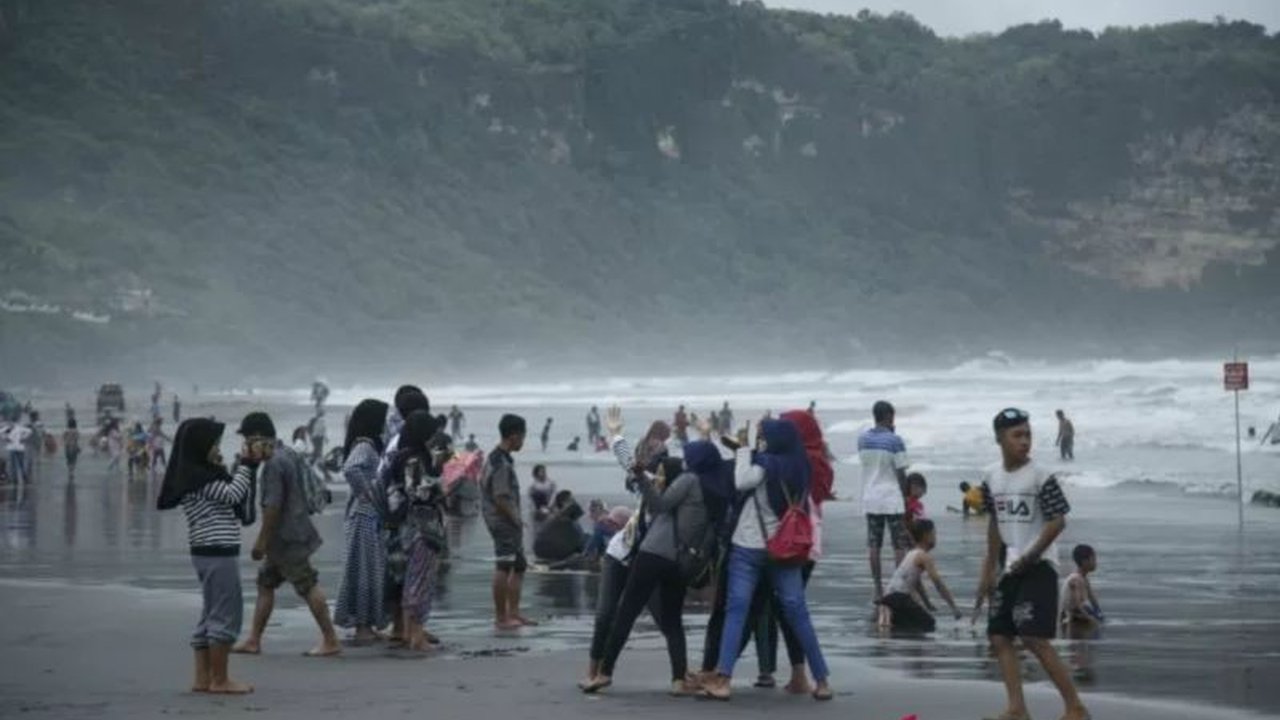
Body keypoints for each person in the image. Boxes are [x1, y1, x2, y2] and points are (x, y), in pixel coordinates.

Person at [701, 418, 833, 702]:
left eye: (765, 438)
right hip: (785, 549)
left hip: (749, 545)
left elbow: (741, 481)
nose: (763, 442)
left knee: (737, 610)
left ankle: (723, 678)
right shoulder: (801, 466)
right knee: (798, 613)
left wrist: (744, 450)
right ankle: (821, 681)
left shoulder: (766, 464)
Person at [976, 408, 1089, 720]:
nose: (1024, 441)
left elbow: (1057, 521)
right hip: (1010, 566)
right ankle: (1016, 709)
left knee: (1033, 637)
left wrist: (1031, 555)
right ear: (999, 438)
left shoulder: (1041, 476)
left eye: (1028, 434)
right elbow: (994, 524)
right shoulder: (991, 477)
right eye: (1017, 435)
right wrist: (988, 569)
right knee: (999, 635)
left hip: (1039, 565)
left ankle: (1075, 707)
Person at [156, 418, 256, 695]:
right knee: (225, 613)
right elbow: (234, 495)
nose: (217, 448)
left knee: (210, 613)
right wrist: (247, 465)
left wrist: (234, 468)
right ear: (201, 447)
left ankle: (203, 678)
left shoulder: (193, 475)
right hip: (218, 551)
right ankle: (220, 680)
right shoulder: (202, 479)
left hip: (205, 552)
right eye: (214, 444)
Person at [232, 412, 341, 657]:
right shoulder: (288, 454)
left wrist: (261, 541)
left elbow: (273, 507)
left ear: (259, 438)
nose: (246, 446)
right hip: (291, 532)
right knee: (265, 584)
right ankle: (253, 640)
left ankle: (331, 639)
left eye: (249, 439)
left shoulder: (273, 465)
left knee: (307, 585)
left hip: (287, 538)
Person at [377, 410, 448, 651]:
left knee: (410, 580)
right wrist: (442, 484)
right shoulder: (415, 459)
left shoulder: (398, 456)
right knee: (420, 580)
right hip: (422, 528)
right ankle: (416, 635)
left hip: (403, 528)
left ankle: (409, 632)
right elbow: (419, 492)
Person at [333, 399, 390, 645]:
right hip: (364, 515)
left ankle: (365, 623)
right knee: (364, 570)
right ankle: (361, 626)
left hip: (367, 515)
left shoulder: (368, 444)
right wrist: (367, 493)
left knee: (368, 569)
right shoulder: (365, 445)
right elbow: (351, 469)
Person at [481, 414, 533, 630]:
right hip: (502, 520)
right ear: (514, 436)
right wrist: (516, 518)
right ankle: (502, 617)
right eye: (522, 437)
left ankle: (514, 612)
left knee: (519, 566)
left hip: (504, 519)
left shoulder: (498, 458)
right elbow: (500, 496)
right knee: (504, 565)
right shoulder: (500, 462)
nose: (523, 441)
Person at [859, 400, 911, 600]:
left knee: (874, 544)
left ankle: (878, 588)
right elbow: (901, 472)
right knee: (898, 544)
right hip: (891, 497)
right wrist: (906, 495)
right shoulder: (895, 440)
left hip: (871, 497)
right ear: (889, 416)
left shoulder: (862, 440)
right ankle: (897, 587)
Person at [876, 519, 961, 633]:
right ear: (927, 536)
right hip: (899, 598)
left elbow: (917, 583)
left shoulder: (912, 553)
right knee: (929, 623)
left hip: (889, 598)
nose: (936, 538)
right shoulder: (923, 556)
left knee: (907, 625)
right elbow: (938, 583)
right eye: (934, 534)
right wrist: (953, 607)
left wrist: (927, 603)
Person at [533, 490, 587, 565]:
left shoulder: (556, 517)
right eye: (571, 499)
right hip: (556, 551)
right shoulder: (562, 515)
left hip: (542, 551)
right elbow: (576, 508)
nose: (574, 500)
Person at [1060, 544, 1104, 637]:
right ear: (1085, 561)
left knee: (1099, 620)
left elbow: (1092, 598)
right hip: (1072, 615)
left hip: (1079, 612)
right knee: (1094, 628)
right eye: (1093, 559)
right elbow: (1077, 604)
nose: (1096, 562)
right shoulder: (1076, 579)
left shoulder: (1084, 578)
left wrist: (1099, 612)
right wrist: (1090, 619)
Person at [4, 418, 30, 484]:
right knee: (13, 464)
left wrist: (23, 438)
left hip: (19, 448)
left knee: (20, 463)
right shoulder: (7, 429)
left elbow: (29, 431)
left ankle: (24, 477)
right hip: (13, 448)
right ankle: (15, 478)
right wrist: (5, 437)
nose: (10, 424)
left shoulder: (20, 428)